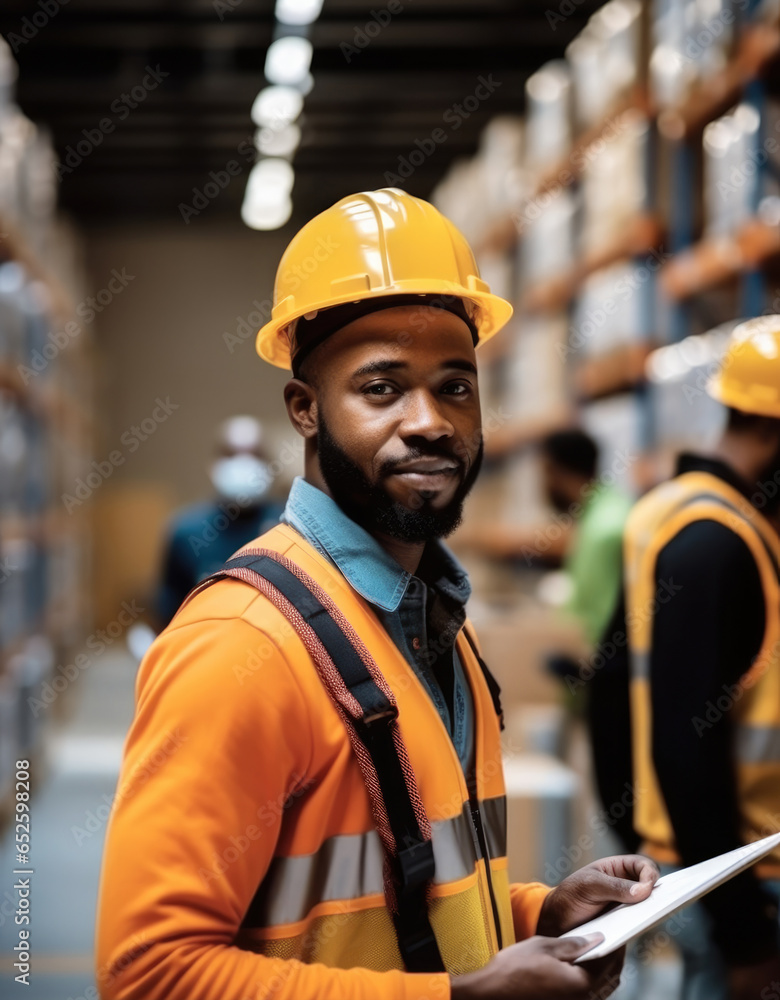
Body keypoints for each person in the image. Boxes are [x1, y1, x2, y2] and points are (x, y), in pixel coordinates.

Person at [95, 188, 658, 1000]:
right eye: (382, 388)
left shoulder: (431, 616)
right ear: (306, 410)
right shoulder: (240, 644)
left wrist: (538, 911)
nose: (430, 421)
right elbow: (147, 975)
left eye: (455, 387)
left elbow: (406, 884)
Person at [617, 316, 780, 999]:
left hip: (696, 866)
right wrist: (745, 932)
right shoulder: (720, 544)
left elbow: (612, 696)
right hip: (739, 879)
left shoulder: (670, 513)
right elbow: (686, 747)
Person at [154, 415, 284, 628]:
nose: (244, 464)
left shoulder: (288, 526)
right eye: (232, 454)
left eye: (254, 455)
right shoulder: (185, 531)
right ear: (214, 465)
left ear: (269, 466)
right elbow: (167, 612)